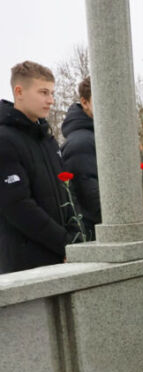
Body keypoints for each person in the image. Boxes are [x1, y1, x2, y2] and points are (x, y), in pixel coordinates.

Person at [0, 61, 81, 274]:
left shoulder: (47, 140)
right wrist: (63, 243)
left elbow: (67, 192)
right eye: (43, 92)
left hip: (61, 258)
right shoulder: (4, 139)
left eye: (52, 93)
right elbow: (17, 205)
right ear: (19, 92)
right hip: (26, 266)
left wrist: (76, 238)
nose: (51, 100)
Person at [61, 76, 98, 239]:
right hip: (95, 234)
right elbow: (89, 195)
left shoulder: (97, 137)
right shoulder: (81, 143)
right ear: (85, 102)